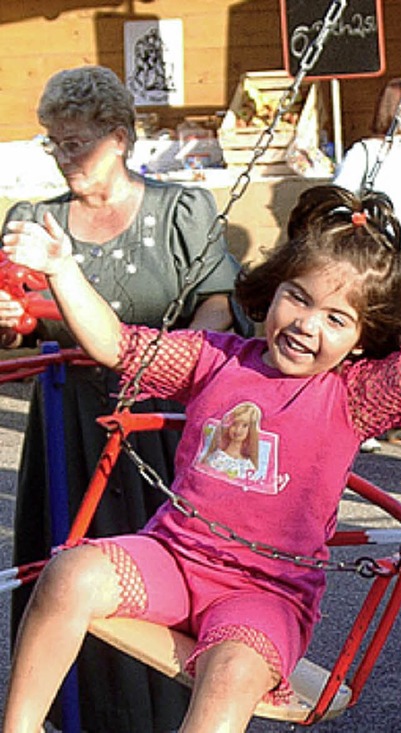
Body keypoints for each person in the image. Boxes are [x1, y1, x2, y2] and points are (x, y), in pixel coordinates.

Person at [1, 183, 401, 733]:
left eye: (337, 319)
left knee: (234, 671)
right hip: (172, 558)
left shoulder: (352, 397)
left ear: (361, 340)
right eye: (299, 297)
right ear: (274, 290)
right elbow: (115, 344)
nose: (308, 324)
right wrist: (62, 270)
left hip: (264, 594)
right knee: (69, 573)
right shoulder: (213, 359)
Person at [0, 66, 250, 733]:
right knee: (69, 580)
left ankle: (173, 716)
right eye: (53, 142)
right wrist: (7, 315)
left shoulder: (181, 211)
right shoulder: (36, 220)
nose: (63, 156)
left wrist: (165, 369)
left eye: (76, 141)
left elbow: (220, 306)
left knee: (170, 580)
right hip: (71, 427)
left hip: (162, 424)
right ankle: (82, 719)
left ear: (119, 137)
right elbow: (16, 322)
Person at [333, 77, 401, 450]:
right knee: (374, 334)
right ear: (397, 111)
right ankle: (364, 418)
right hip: (377, 256)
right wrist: (360, 227)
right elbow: (341, 199)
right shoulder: (363, 152)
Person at [198, 402, 261, 479]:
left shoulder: (248, 466)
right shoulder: (216, 457)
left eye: (244, 425)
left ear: (251, 430)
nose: (238, 430)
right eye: (234, 424)